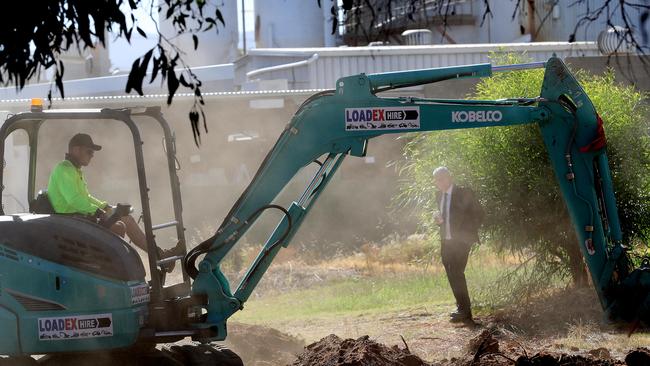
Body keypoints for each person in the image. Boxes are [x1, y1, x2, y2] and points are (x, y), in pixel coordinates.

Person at [47, 133, 183, 268]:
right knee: (119, 227)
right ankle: (117, 269)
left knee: (126, 218)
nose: (92, 155)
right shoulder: (64, 170)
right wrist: (99, 211)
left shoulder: (74, 170)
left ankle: (160, 256)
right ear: (76, 150)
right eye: (89, 151)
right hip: (70, 221)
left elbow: (85, 197)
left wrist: (105, 206)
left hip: (78, 218)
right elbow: (74, 200)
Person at [432, 166, 484, 323]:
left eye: (442, 178)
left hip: (461, 241)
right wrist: (439, 221)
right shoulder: (438, 196)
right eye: (436, 180)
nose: (439, 182)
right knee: (450, 272)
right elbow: (446, 218)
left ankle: (465, 310)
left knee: (457, 272)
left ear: (449, 177)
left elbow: (480, 213)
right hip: (446, 240)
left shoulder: (463, 193)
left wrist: (467, 234)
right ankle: (461, 307)